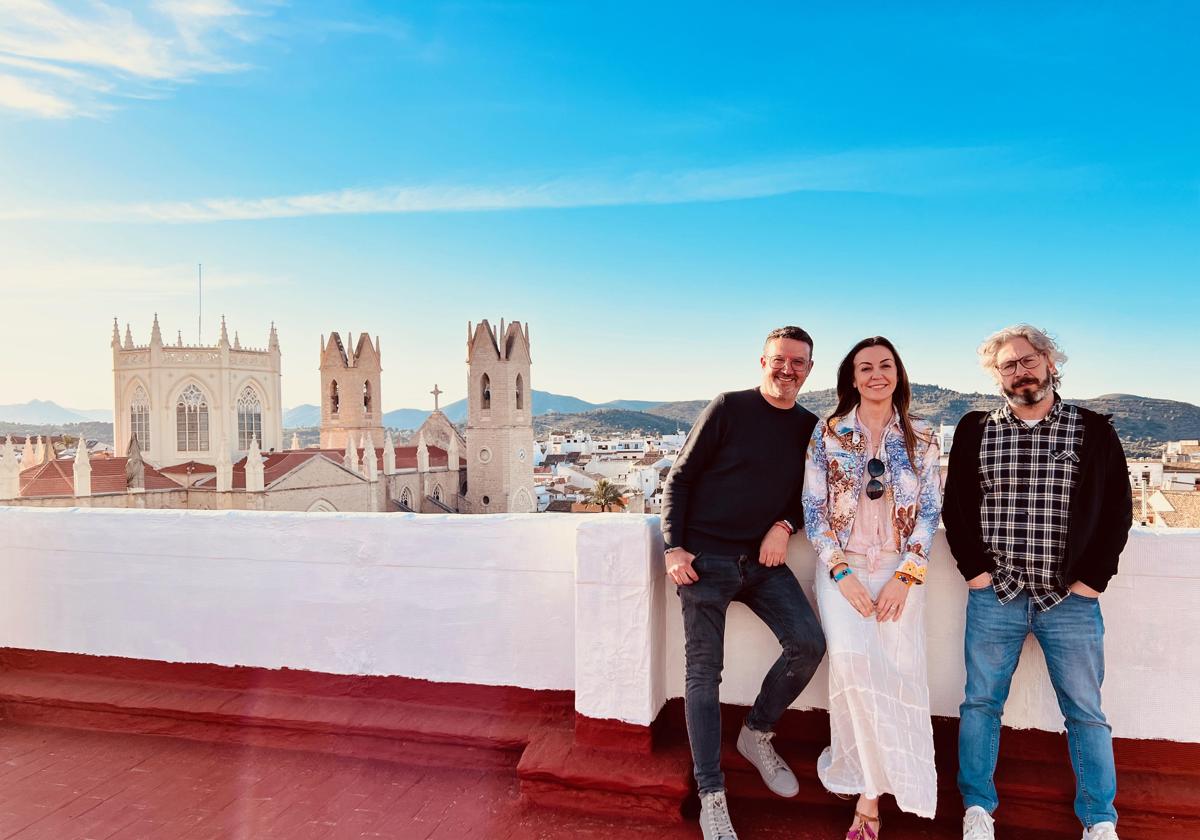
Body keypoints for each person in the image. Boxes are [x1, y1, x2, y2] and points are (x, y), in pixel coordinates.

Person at [943, 325, 1132, 840]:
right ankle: (978, 810)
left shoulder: (1092, 430)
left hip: (1068, 599)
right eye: (1008, 365)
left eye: (1028, 361)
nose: (1020, 371)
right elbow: (956, 506)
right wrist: (975, 572)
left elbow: (1118, 508)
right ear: (996, 375)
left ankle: (1099, 819)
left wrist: (1093, 580)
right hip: (996, 594)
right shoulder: (975, 429)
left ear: (1050, 363)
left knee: (1086, 712)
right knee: (981, 702)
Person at [662, 326, 827, 840]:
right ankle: (712, 792)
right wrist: (673, 547)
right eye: (780, 360)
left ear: (809, 369)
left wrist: (782, 526)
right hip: (703, 561)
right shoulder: (728, 408)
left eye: (798, 362)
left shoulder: (809, 426)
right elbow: (679, 478)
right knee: (703, 674)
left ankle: (756, 733)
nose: (788, 370)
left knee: (808, 643)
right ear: (762, 361)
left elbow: (811, 496)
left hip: (763, 562)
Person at [802, 336, 942, 839]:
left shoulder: (923, 437)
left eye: (885, 365)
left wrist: (908, 576)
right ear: (852, 378)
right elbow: (813, 512)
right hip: (843, 568)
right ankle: (867, 790)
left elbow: (929, 513)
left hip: (901, 572)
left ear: (898, 374)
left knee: (899, 672)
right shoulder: (829, 433)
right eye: (866, 367)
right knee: (851, 667)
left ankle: (882, 787)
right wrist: (840, 572)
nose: (876, 374)